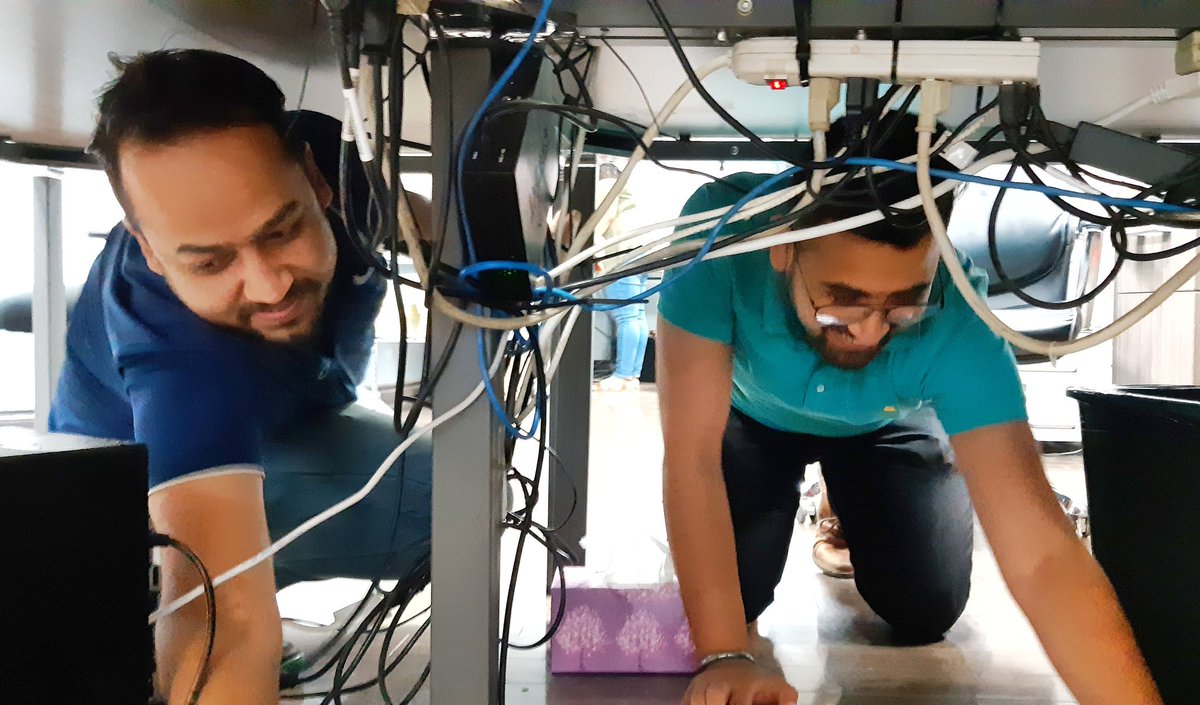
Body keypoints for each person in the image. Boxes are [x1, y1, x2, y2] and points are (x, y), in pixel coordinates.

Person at [655, 112, 1161, 705]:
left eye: (902, 307)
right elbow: (690, 457)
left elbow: (1043, 552)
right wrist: (724, 655)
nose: (870, 335)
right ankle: (820, 496)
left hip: (885, 421)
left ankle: (842, 499)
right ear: (784, 251)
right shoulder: (721, 236)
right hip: (753, 416)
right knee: (726, 603)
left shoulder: (961, 319)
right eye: (842, 303)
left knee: (925, 608)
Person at [49, 49, 432, 705]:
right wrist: (219, 645)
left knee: (479, 474)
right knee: (451, 496)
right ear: (148, 250)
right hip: (131, 514)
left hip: (288, 420)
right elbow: (222, 622)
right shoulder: (175, 342)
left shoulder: (342, 167)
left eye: (281, 232)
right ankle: (147, 619)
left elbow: (435, 221)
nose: (269, 283)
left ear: (316, 180)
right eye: (209, 262)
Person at [593, 161, 650, 391]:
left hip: (620, 255)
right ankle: (632, 375)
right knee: (636, 316)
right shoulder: (631, 194)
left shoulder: (609, 184)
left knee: (626, 317)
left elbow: (604, 217)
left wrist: (595, 250)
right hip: (640, 254)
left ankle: (622, 375)